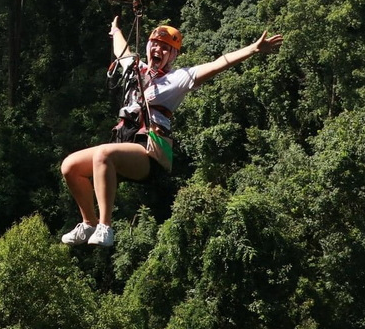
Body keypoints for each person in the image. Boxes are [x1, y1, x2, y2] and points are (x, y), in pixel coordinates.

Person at [60, 17, 283, 247]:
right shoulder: (135, 69)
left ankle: (105, 228)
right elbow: (121, 49)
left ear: (173, 55)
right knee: (70, 167)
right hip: (124, 145)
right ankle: (89, 224)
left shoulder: (177, 79)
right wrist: (115, 30)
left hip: (149, 154)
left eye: (166, 48)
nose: (159, 50)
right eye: (155, 45)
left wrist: (254, 49)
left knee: (103, 154)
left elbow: (219, 64)